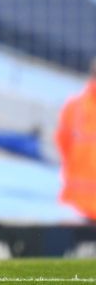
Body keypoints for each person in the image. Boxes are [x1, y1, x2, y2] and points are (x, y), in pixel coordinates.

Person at [56, 58, 96, 222]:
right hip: (77, 208)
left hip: (74, 206)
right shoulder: (75, 107)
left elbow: (63, 144)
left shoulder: (75, 106)